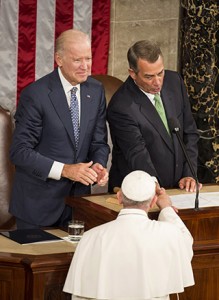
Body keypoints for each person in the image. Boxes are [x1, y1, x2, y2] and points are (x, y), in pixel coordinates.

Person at [9, 29, 110, 229]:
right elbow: (19, 152)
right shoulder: (36, 95)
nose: (85, 67)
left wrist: (98, 165)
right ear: (59, 59)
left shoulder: (96, 91)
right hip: (37, 207)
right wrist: (65, 170)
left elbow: (99, 142)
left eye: (88, 58)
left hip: (78, 206)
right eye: (77, 60)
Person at [63, 170, 194, 300]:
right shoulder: (169, 234)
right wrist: (166, 207)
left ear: (119, 197)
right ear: (154, 201)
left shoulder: (90, 238)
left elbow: (79, 296)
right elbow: (186, 242)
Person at [107, 40, 202, 193]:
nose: (157, 82)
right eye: (149, 77)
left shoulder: (174, 81)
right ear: (133, 73)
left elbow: (189, 132)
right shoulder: (121, 106)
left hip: (179, 186)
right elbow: (136, 153)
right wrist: (153, 186)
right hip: (139, 191)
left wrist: (189, 174)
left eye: (160, 73)